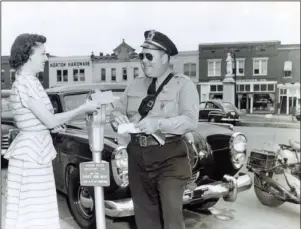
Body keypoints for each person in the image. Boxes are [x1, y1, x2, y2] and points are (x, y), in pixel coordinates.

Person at [3, 33, 100, 229]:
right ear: (29, 55)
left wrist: (53, 124)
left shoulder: (31, 81)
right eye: (43, 54)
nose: (46, 59)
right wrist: (83, 108)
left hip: (37, 148)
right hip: (31, 155)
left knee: (38, 209)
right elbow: (48, 119)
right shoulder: (25, 83)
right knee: (33, 211)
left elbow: (40, 119)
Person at [111, 30, 199, 229]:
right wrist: (117, 118)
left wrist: (158, 124)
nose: (144, 61)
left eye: (149, 56)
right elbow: (116, 110)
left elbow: (191, 121)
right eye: (141, 56)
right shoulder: (134, 85)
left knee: (171, 216)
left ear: (165, 58)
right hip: (137, 157)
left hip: (169, 157)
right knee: (145, 219)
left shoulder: (183, 84)